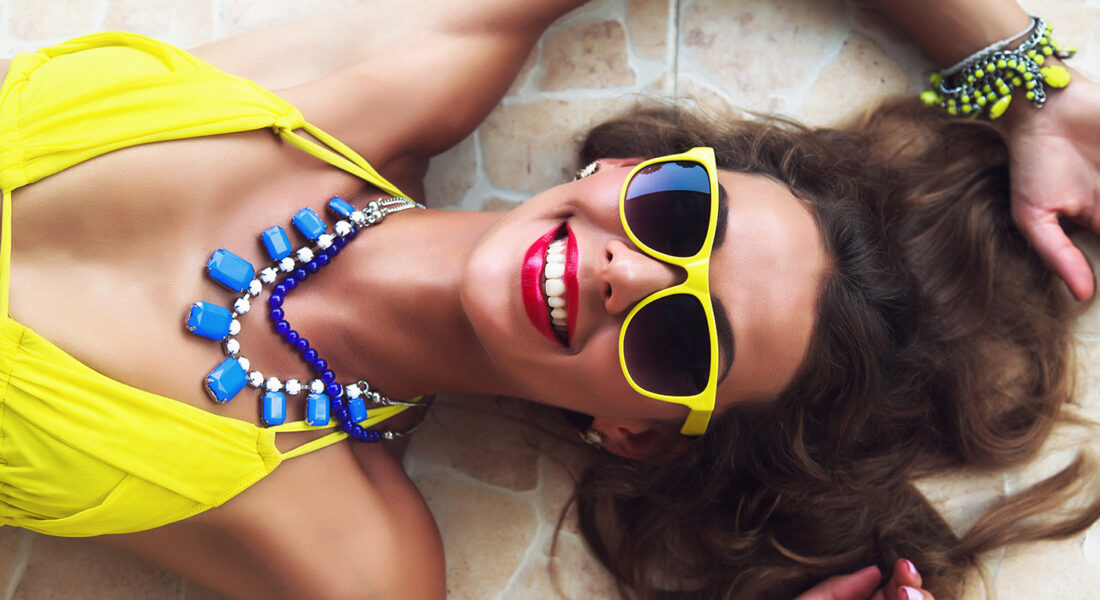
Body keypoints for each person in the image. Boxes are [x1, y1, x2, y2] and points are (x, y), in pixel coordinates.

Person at [0, 1, 1096, 599]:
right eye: (679, 213)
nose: (633, 274)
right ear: (625, 169)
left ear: (637, 432)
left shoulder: (358, 555)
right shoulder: (411, 67)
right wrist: (1031, 82)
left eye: (685, 340)